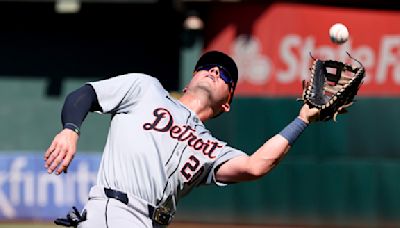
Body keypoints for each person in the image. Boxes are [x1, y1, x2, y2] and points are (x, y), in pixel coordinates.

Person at [44, 50, 319, 227]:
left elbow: (255, 166)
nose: (214, 71)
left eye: (224, 75)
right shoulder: (146, 88)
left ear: (227, 104)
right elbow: (85, 94)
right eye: (207, 66)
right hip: (114, 213)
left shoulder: (212, 149)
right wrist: (71, 129)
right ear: (190, 81)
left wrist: (302, 119)